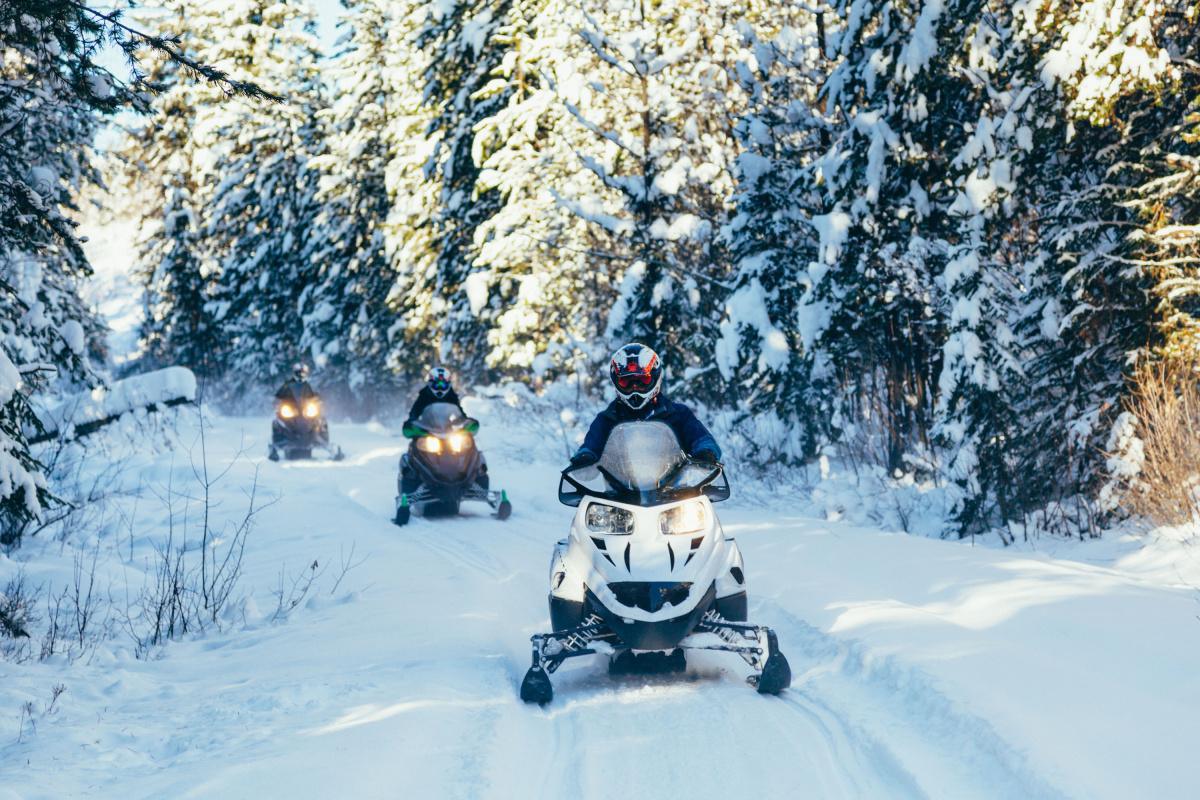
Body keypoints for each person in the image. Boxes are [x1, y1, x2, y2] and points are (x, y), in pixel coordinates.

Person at [570, 343, 722, 468]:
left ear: (656, 378)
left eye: (642, 381)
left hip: (675, 491)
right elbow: (591, 445)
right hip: (618, 495)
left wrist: (706, 451)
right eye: (626, 382)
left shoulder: (678, 414)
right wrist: (584, 457)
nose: (635, 388)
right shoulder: (607, 418)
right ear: (616, 382)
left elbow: (700, 437)